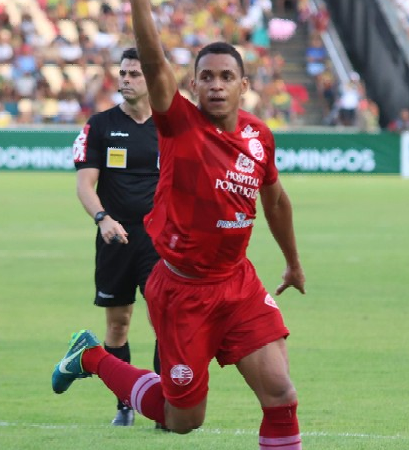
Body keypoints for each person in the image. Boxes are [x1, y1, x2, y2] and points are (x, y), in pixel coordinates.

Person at [53, 0, 306, 448]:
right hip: (182, 292)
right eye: (206, 76)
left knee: (281, 394)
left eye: (227, 77)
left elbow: (277, 200)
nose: (216, 85)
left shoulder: (258, 136)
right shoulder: (178, 124)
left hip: (238, 283)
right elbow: (152, 57)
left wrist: (292, 262)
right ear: (191, 84)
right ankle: (91, 356)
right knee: (181, 419)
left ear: (244, 86)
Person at [70, 47, 162, 428]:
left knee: (165, 322)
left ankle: (165, 404)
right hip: (115, 238)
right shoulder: (101, 125)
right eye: (123, 73)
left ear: (152, 78)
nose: (125, 79)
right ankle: (124, 402)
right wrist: (102, 218)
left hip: (160, 241)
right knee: (118, 324)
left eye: (135, 74)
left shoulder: (171, 126)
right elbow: (84, 185)